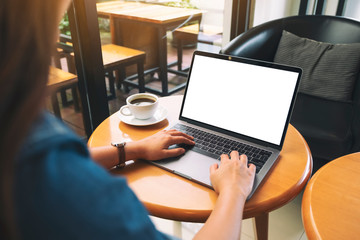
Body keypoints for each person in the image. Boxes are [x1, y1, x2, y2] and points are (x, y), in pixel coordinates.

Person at [0, 0, 256, 239]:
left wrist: (134, 149)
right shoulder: (66, 189)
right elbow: (55, 170)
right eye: (56, 24)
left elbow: (54, 161)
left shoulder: (21, 132)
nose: (56, 37)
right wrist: (234, 191)